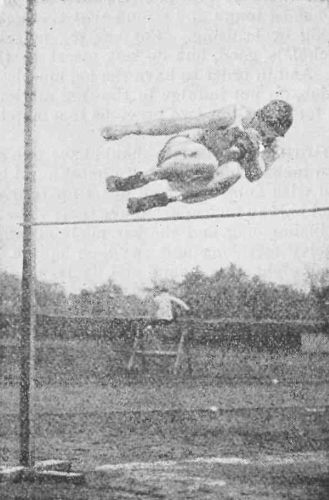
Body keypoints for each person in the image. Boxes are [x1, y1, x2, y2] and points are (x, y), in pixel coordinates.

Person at [102, 100, 293, 213]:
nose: (264, 137)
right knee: (208, 162)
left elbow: (254, 176)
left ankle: (163, 198)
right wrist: (130, 129)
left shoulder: (274, 147)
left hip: (196, 182)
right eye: (261, 130)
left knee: (234, 171)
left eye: (270, 136)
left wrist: (252, 153)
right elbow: (182, 123)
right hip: (183, 151)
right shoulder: (234, 115)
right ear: (257, 117)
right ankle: (142, 177)